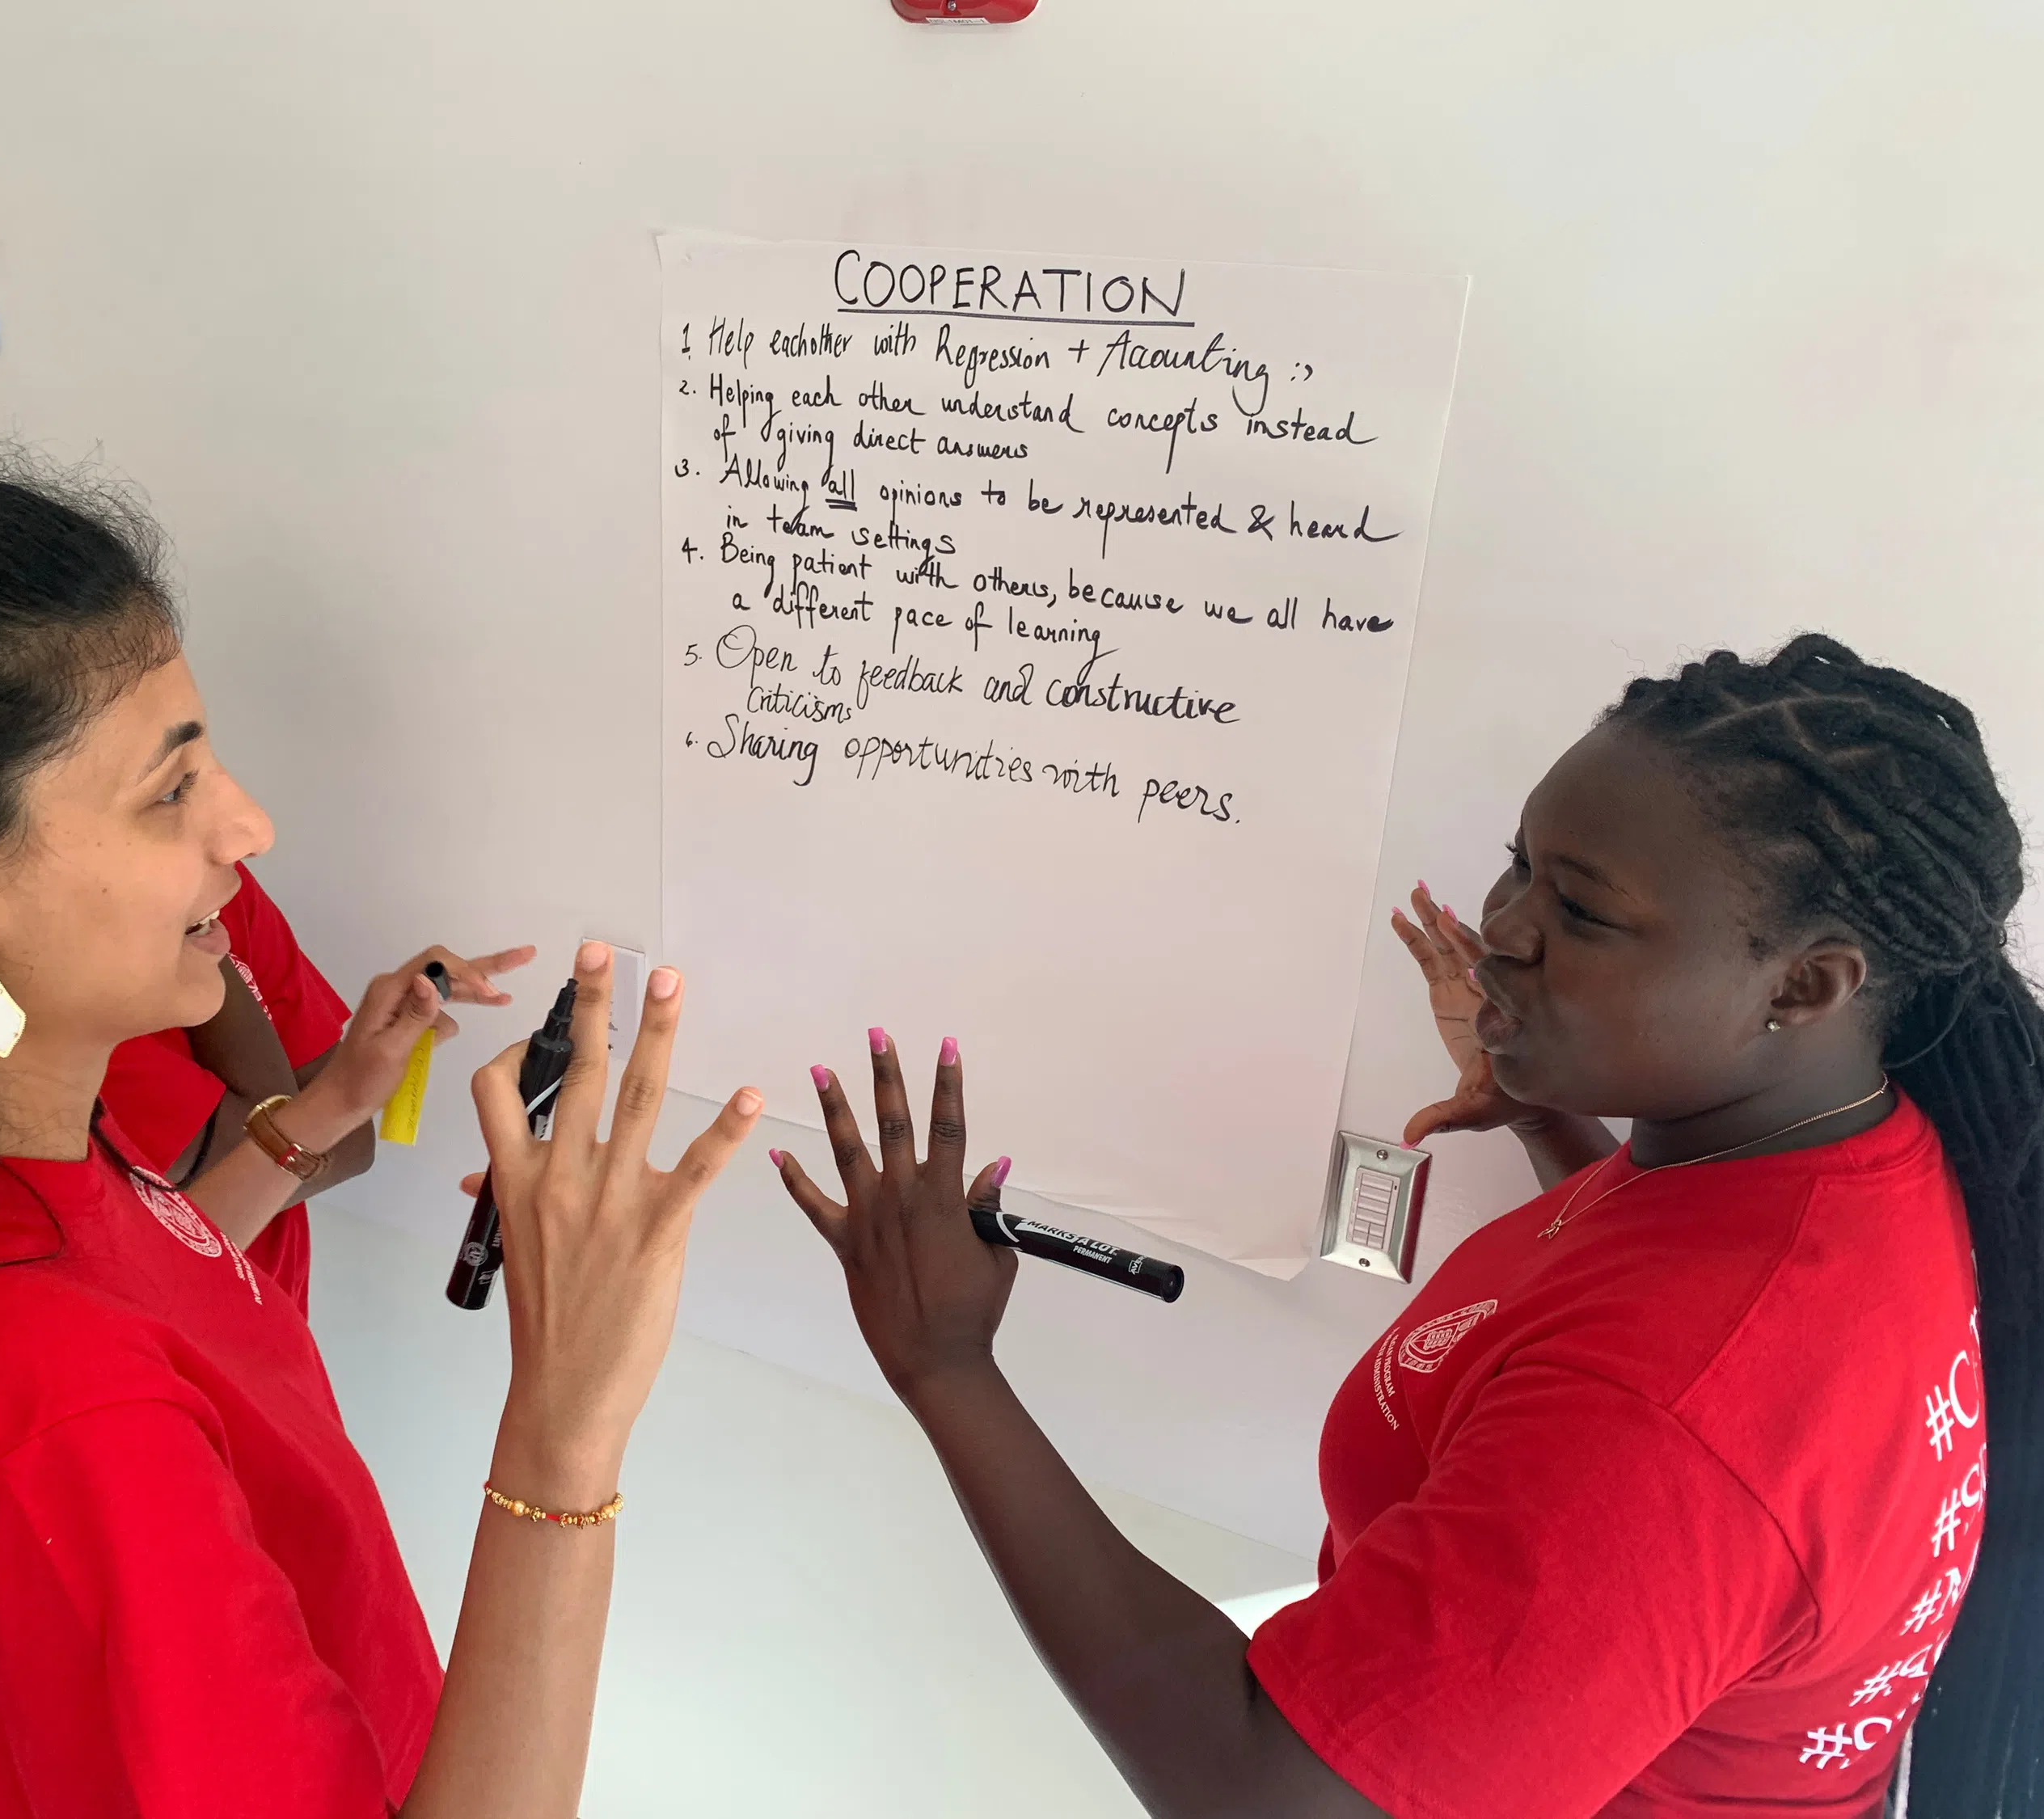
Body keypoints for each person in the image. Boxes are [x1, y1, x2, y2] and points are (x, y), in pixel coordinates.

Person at [0, 466, 762, 1819]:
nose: (248, 827)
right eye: (171, 792)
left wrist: (321, 1115)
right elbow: (79, 1383)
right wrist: (564, 1435)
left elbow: (133, 1279)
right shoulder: (41, 1426)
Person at [774, 635, 2037, 1817]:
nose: (1505, 927)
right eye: (1521, 861)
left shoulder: (1676, 1431)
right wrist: (1550, 1125)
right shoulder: (1847, 1152)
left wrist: (946, 1367)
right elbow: (1676, 1290)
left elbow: (1263, 1788)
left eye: (1583, 912)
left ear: (1805, 984)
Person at [99, 860, 534, 1315]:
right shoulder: (61, 991)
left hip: (278, 1322)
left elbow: (349, 1144)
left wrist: (341, 1097)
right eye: (169, 793)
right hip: (166, 1341)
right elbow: (225, 1186)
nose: (251, 828)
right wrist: (201, 937)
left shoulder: (222, 883)